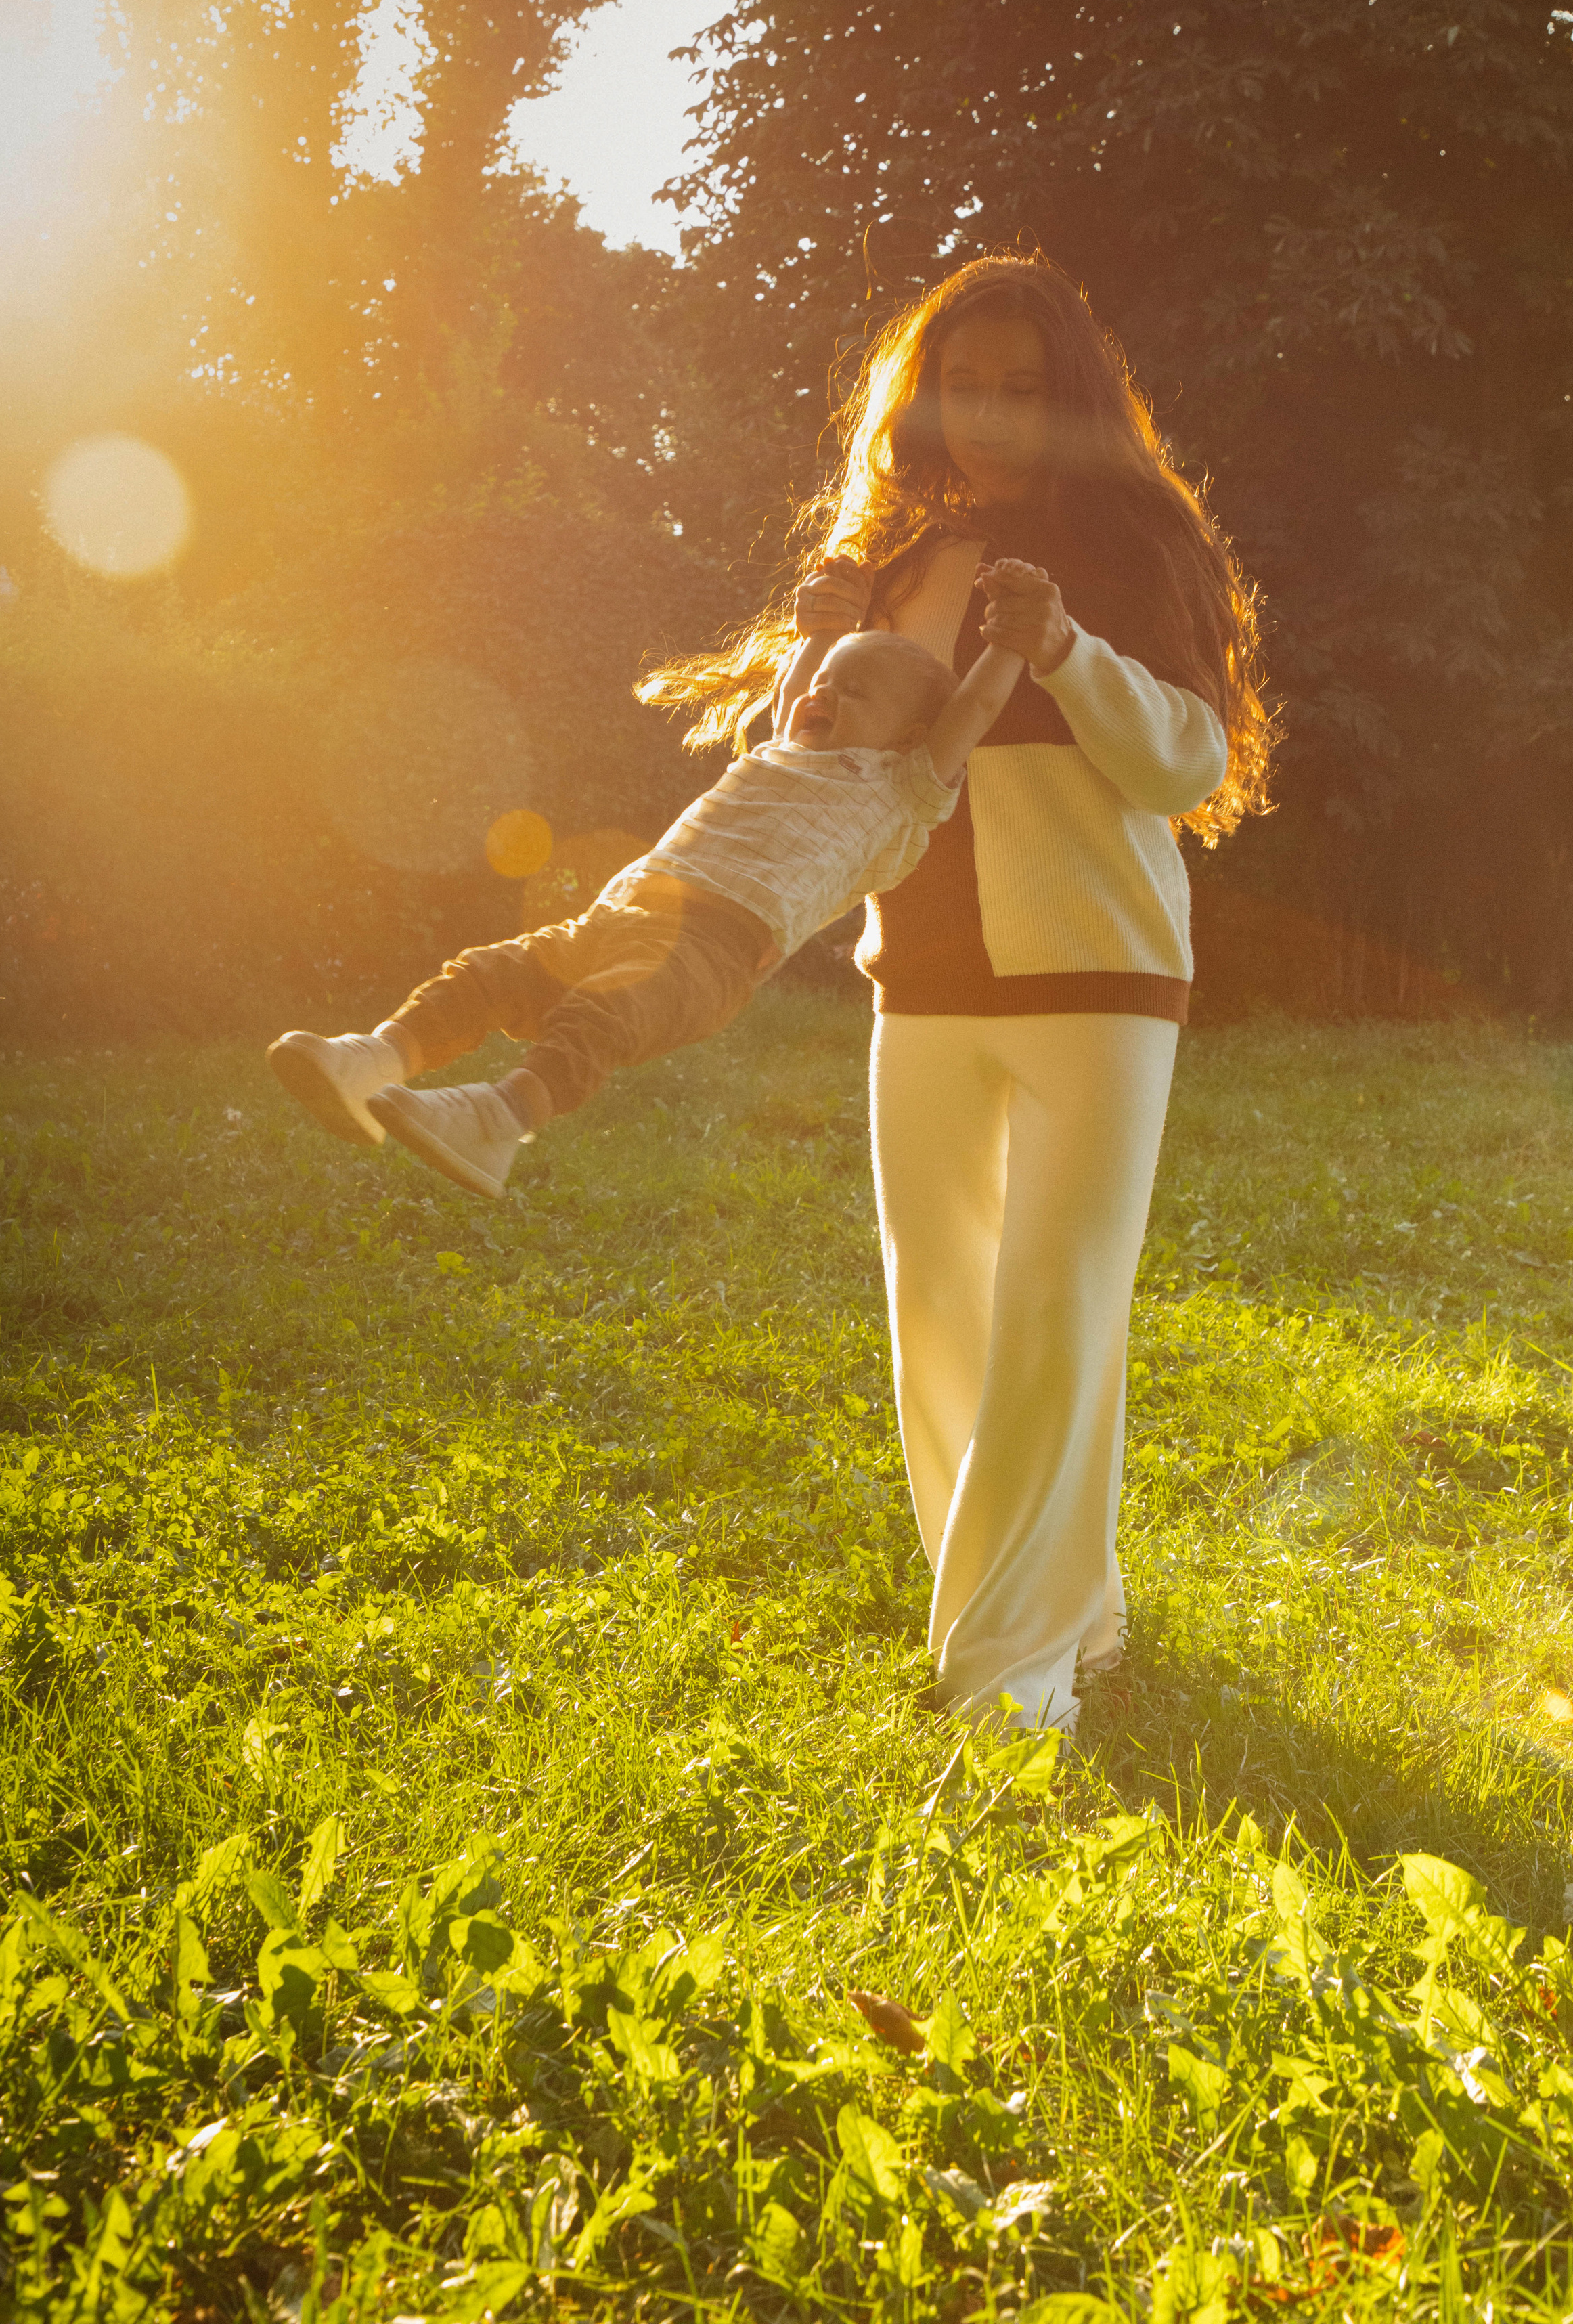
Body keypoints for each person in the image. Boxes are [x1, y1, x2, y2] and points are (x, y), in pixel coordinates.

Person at [638, 252, 1273, 1733]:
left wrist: (1061, 647)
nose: (986, 416)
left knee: (1056, 1309)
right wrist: (803, 659)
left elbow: (1185, 763)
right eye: (961, 387)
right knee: (941, 1316)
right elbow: (827, 774)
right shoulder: (886, 562)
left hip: (1099, 983)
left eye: (1019, 389)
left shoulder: (1135, 549)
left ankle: (1002, 1686)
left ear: (1072, 404)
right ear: (921, 402)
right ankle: (1075, 1620)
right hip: (917, 982)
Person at [266, 613, 1040, 1198]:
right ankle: (370, 1061)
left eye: (854, 691)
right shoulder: (781, 748)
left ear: (909, 735)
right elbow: (789, 691)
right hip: (623, 910)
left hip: (713, 949)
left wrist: (1009, 637)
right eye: (823, 681)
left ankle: (498, 1121)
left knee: (598, 1016)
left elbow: (970, 710)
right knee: (490, 972)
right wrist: (822, 632)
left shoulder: (901, 790)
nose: (822, 694)